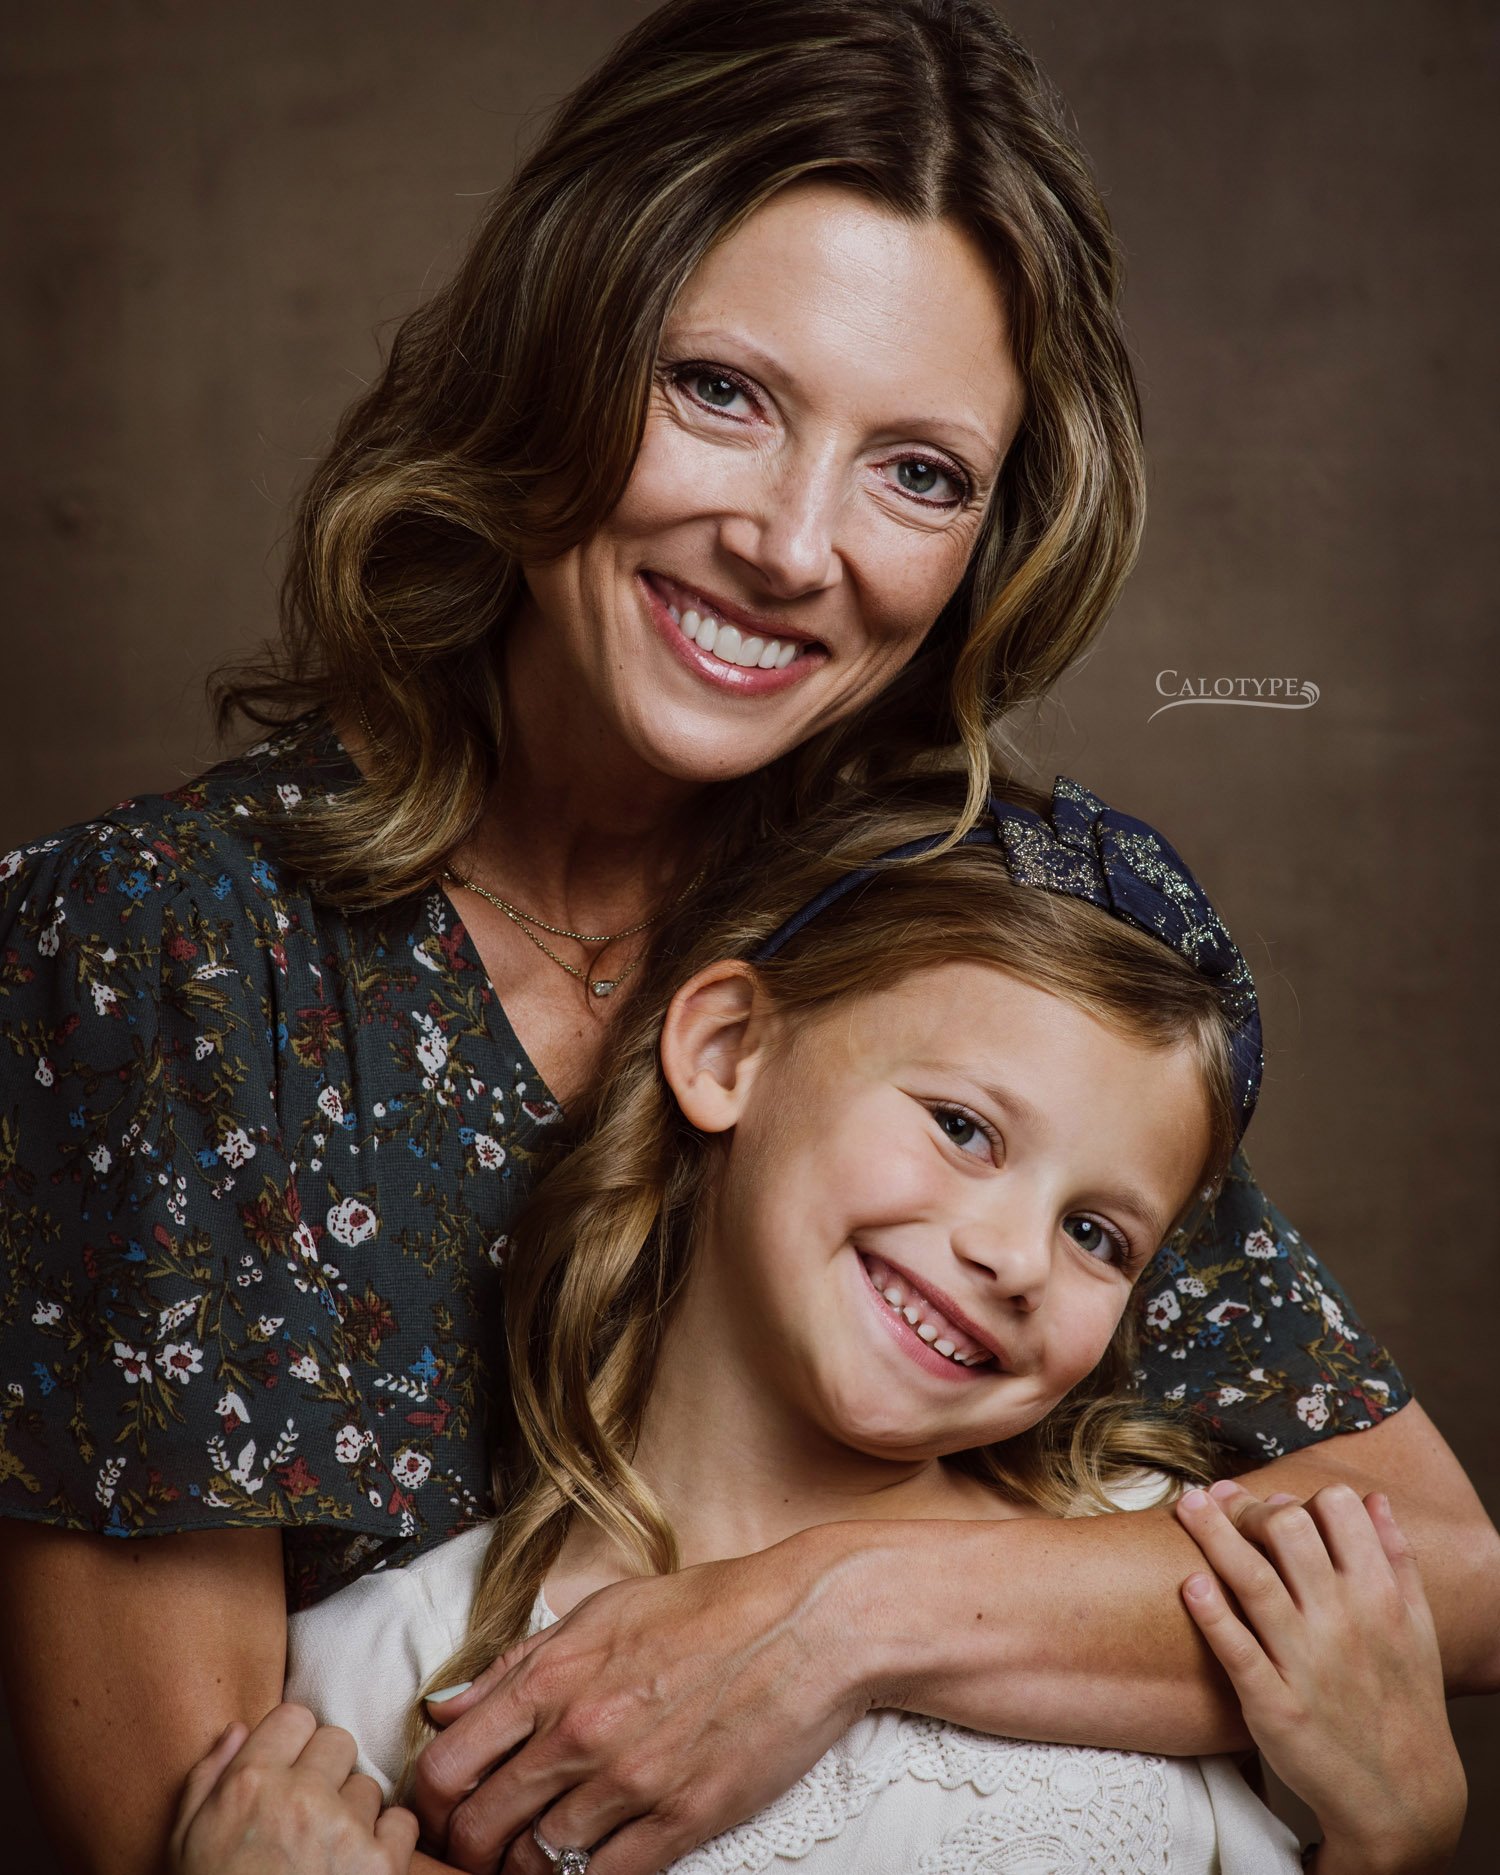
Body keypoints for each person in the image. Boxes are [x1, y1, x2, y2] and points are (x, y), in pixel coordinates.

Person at [0, 2, 1494, 1872]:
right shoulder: (171, 961)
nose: (796, 546)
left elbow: (1438, 1574)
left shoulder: (981, 931)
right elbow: (206, 1831)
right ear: (556, 350)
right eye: (722, 390)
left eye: (919, 472)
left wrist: (842, 1615)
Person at [184, 770, 1463, 1874]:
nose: (1015, 1256)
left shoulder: (1163, 1575)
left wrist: (1394, 1842)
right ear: (729, 1049)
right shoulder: (397, 1668)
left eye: (1097, 1234)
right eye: (963, 1128)